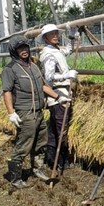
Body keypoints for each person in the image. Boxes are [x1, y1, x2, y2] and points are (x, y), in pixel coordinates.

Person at [1, 38, 62, 189]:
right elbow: (7, 92)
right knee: (24, 144)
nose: (24, 51)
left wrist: (58, 97)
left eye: (26, 48)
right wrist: (11, 113)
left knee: (41, 142)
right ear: (14, 51)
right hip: (25, 112)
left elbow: (42, 86)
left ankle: (37, 169)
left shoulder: (33, 66)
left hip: (39, 111)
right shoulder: (10, 69)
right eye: (20, 48)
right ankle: (15, 178)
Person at [38, 24, 77, 173]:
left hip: (62, 94)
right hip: (58, 95)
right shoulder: (48, 54)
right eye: (51, 34)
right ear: (45, 38)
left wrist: (72, 37)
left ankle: (52, 158)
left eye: (56, 33)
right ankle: (61, 161)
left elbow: (68, 50)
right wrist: (65, 75)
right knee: (61, 129)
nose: (55, 35)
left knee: (54, 129)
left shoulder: (56, 50)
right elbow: (48, 77)